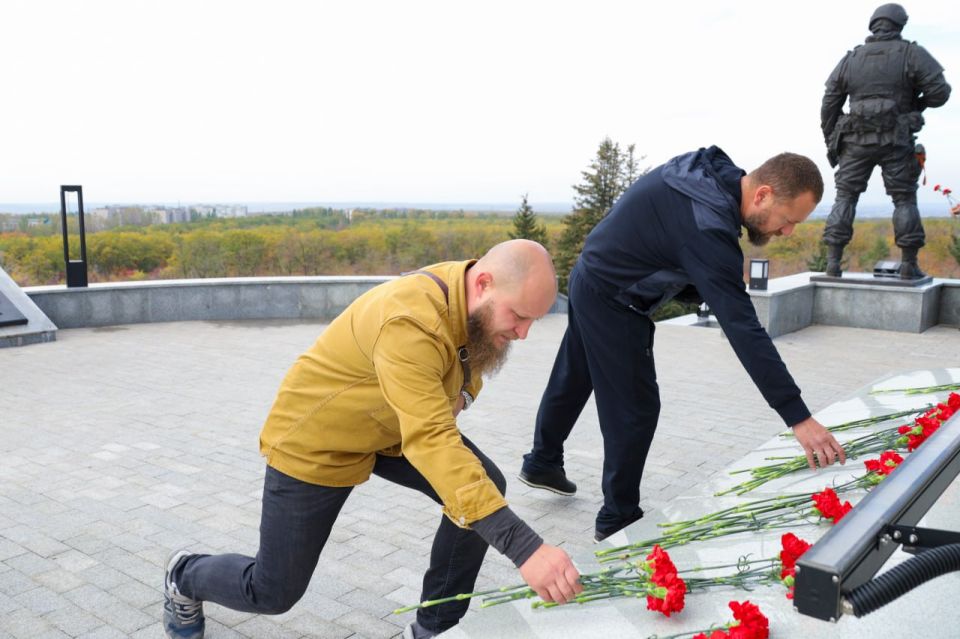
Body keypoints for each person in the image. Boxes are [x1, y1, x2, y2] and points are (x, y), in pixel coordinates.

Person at [162, 239, 582, 639]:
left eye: (533, 321)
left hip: (386, 431)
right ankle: (184, 574)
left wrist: (464, 393)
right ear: (484, 283)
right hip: (317, 441)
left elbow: (456, 385)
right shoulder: (412, 319)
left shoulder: (468, 302)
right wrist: (527, 549)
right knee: (273, 591)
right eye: (519, 316)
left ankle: (434, 627)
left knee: (478, 489)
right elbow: (432, 439)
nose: (524, 333)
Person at [519, 147, 848, 542]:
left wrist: (703, 280)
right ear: (761, 195)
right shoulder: (709, 225)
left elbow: (666, 233)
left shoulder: (709, 176)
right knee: (635, 409)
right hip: (613, 298)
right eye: (788, 219)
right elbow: (744, 330)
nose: (788, 231)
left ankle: (542, 461)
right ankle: (617, 520)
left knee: (574, 375)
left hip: (592, 276)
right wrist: (798, 417)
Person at [821, 3, 951, 279]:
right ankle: (908, 265)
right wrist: (915, 106)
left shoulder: (851, 59)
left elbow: (829, 102)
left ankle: (832, 264)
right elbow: (940, 92)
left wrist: (832, 139)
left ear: (874, 24)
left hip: (855, 143)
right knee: (904, 199)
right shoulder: (911, 54)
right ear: (900, 25)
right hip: (896, 139)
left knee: (845, 196)